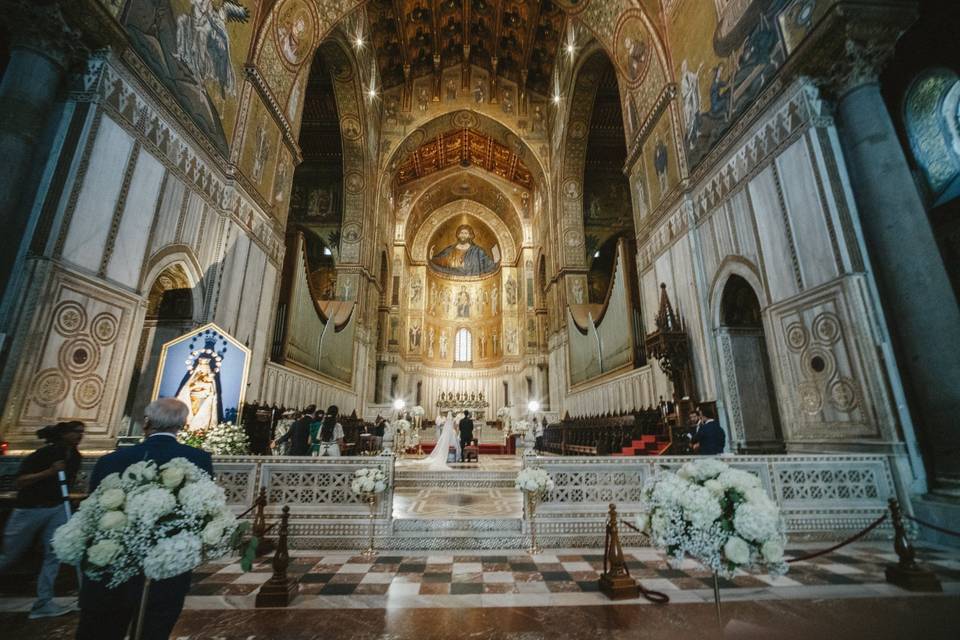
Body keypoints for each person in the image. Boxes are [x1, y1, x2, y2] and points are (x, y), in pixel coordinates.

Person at [76, 398, 213, 640]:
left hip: (112, 560)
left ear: (147, 422)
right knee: (155, 628)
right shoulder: (198, 459)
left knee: (103, 629)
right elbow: (203, 508)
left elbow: (92, 511)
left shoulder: (110, 461)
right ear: (182, 424)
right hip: (167, 562)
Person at [0, 421, 84, 619]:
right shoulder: (43, 454)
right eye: (75, 432)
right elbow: (20, 481)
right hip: (30, 508)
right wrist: (49, 472)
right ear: (63, 434)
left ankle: (44, 601)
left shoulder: (75, 457)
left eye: (82, 432)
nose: (80, 436)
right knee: (9, 553)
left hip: (56, 507)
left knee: (55, 552)